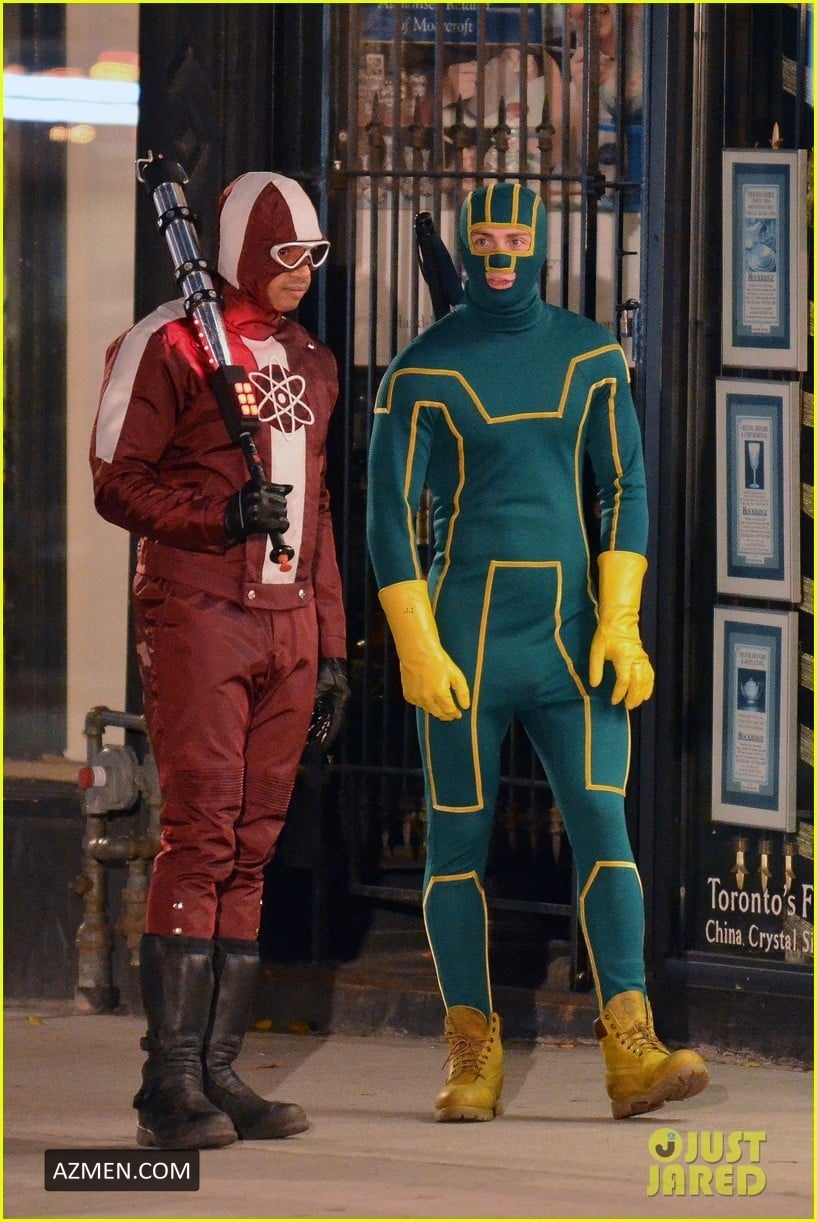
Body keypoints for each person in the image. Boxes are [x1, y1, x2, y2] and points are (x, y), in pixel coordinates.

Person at [366, 182, 708, 1122]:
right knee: (456, 841)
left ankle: (630, 1047)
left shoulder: (588, 355)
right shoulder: (419, 370)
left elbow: (623, 487)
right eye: (485, 237)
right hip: (463, 646)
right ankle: (470, 1051)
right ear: (466, 243)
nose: (500, 253)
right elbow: (386, 516)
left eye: (516, 237)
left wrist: (619, 620)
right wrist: (415, 643)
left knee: (602, 824)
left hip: (571, 642)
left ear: (542, 243)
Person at [91, 171, 349, 1149]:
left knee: (252, 841)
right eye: (283, 255)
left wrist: (328, 646)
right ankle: (169, 1082)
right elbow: (116, 479)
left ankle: (216, 1069)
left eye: (311, 257)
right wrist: (221, 515)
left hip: (286, 626)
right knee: (200, 834)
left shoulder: (311, 360)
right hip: (198, 613)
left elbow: (316, 511)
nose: (300, 272)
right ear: (243, 252)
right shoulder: (170, 343)